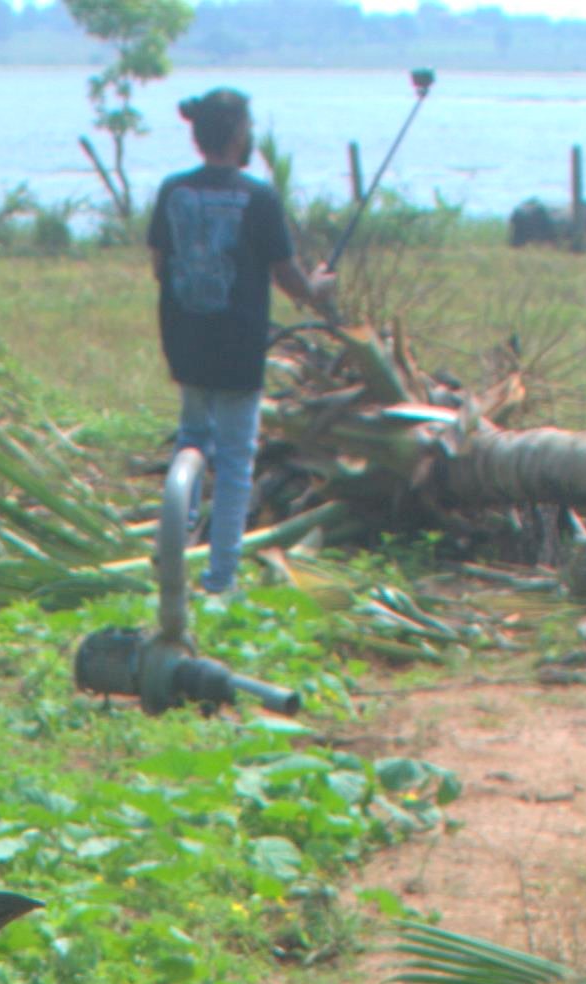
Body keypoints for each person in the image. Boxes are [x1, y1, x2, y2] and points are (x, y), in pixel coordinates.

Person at [145, 90, 335, 605]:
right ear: (235, 134)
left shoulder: (172, 190)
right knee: (234, 461)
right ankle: (220, 578)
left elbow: (160, 265)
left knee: (191, 439)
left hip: (185, 341)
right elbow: (289, 278)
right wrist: (317, 289)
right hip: (238, 347)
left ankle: (172, 543)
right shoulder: (259, 197)